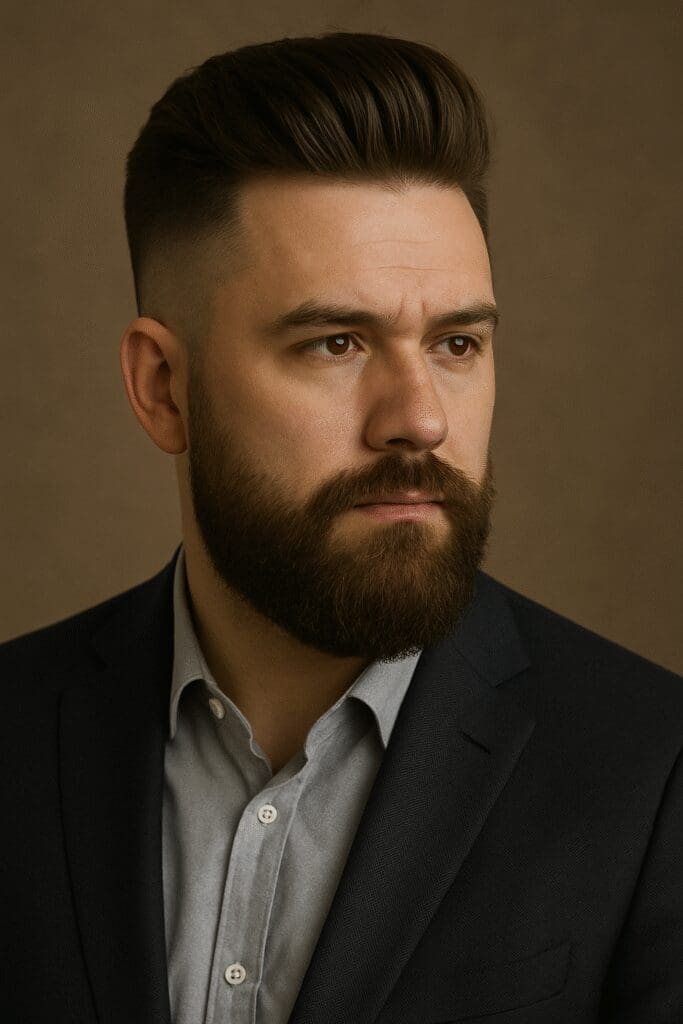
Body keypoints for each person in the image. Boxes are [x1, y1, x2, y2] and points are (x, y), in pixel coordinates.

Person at [1, 31, 681, 1024]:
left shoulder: (652, 775)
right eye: (335, 341)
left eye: (456, 342)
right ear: (162, 387)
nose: (419, 417)